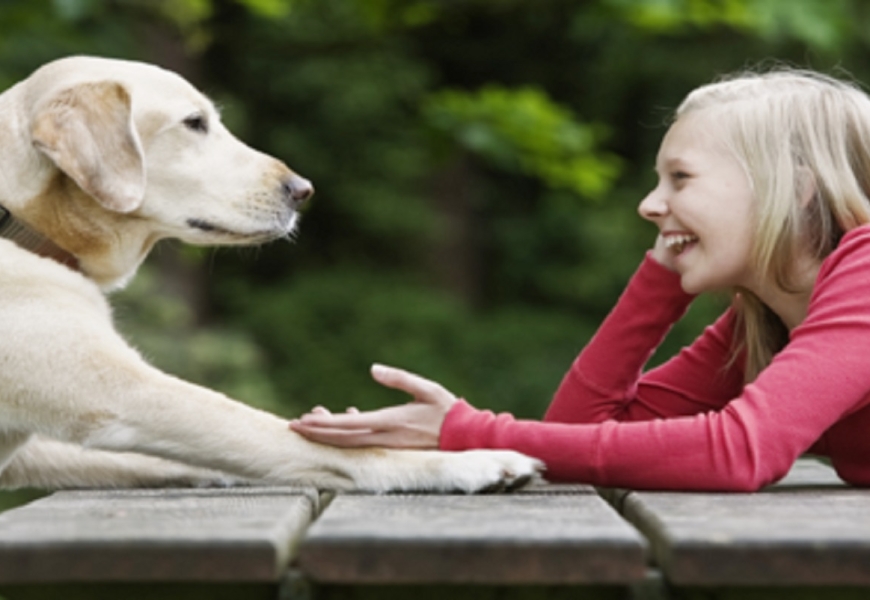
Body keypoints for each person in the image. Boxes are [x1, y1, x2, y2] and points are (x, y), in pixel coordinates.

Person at [290, 67, 870, 492]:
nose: (649, 204)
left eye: (680, 179)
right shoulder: (762, 324)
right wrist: (661, 277)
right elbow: (579, 432)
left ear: (794, 188)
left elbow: (741, 452)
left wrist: (466, 433)